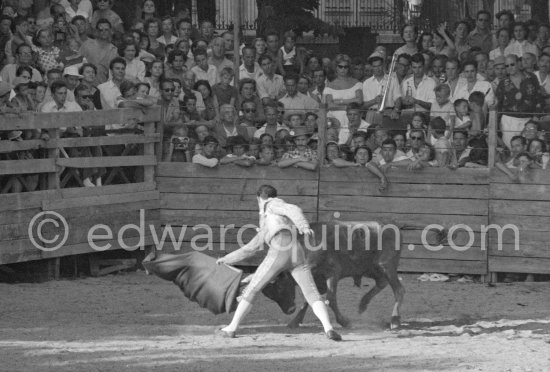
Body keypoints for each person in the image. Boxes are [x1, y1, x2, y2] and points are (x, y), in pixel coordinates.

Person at [215, 184, 342, 341]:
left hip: (280, 248)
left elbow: (293, 209)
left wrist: (303, 226)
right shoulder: (270, 221)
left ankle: (231, 328)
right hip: (297, 252)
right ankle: (328, 328)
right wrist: (226, 259)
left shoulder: (271, 204)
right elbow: (250, 249)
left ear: (259, 198)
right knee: (311, 292)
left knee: (252, 289)